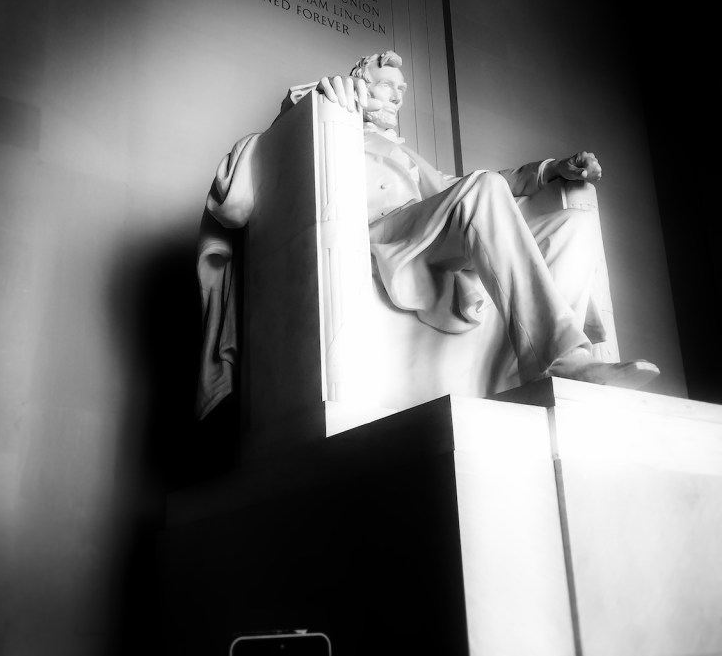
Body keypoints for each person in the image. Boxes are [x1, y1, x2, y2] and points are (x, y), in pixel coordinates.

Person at [196, 50, 659, 418]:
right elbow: (238, 192)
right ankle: (564, 358)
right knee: (482, 187)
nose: (398, 97)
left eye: (402, 90)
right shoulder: (324, 121)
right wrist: (316, 99)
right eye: (387, 85)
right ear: (358, 83)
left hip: (426, 229)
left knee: (571, 222)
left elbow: (479, 186)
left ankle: (540, 374)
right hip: (378, 237)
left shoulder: (411, 158)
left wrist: (550, 170)